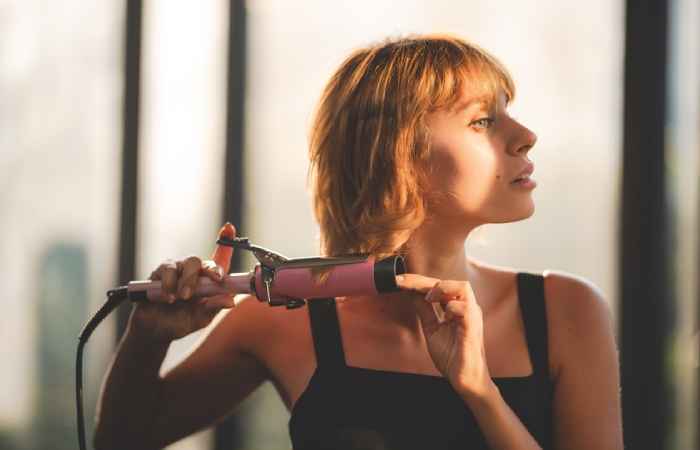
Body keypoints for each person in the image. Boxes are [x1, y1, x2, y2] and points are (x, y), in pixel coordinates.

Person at [93, 33, 624, 450]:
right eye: (484, 120)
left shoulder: (566, 311)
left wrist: (480, 392)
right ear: (396, 154)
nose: (525, 134)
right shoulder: (280, 319)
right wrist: (149, 338)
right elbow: (121, 442)